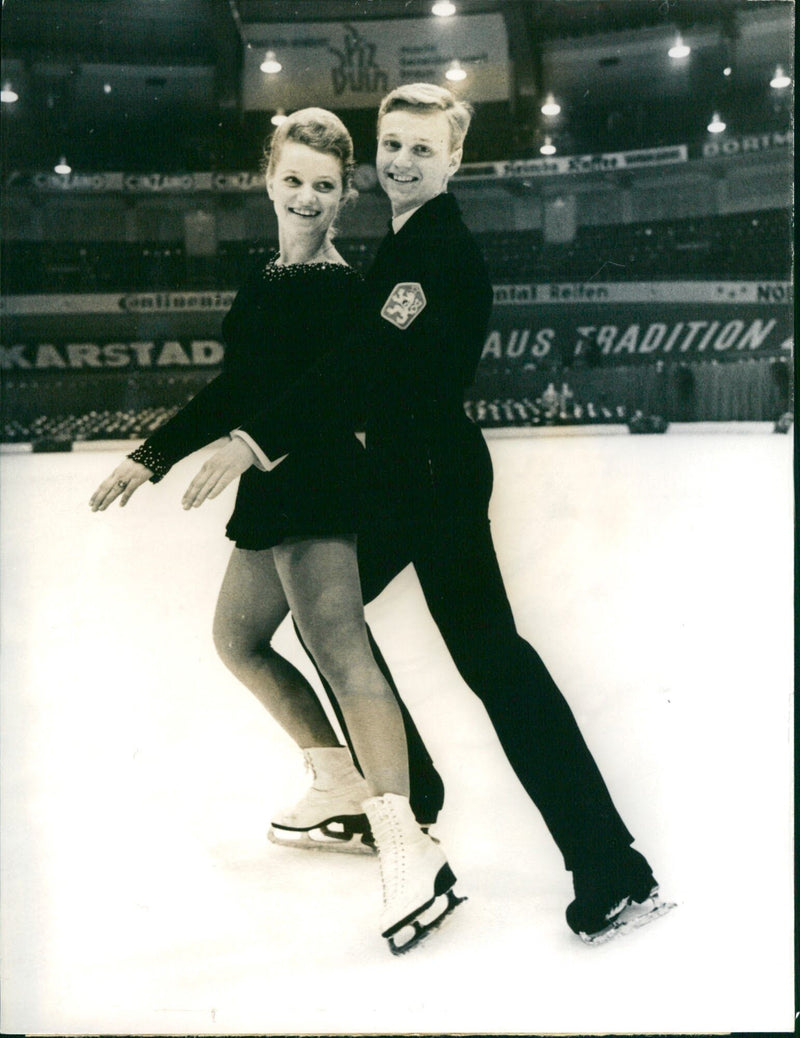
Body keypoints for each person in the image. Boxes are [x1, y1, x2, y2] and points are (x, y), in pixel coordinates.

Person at [185, 84, 674, 946]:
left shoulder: (433, 253)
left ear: (454, 161)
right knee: (328, 622)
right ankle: (412, 794)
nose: (402, 160)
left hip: (434, 483)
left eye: (422, 148)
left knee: (489, 662)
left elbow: (363, 362)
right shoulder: (406, 242)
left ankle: (606, 863)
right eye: (392, 145)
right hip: (402, 477)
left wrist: (252, 438)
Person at [89, 108, 463, 956]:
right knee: (237, 636)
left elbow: (331, 394)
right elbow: (233, 390)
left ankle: (408, 843)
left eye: (324, 187)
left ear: (344, 197)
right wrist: (151, 456)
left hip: (318, 482)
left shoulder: (336, 285)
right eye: (292, 180)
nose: (306, 197)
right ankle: (335, 777)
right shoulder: (268, 278)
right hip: (270, 484)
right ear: (269, 179)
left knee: (339, 646)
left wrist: (251, 446)